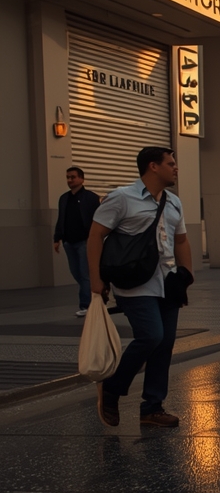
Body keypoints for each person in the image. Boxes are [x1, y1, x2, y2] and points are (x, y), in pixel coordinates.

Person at [85, 146, 191, 429]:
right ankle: (111, 387)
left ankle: (152, 407)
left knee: (164, 343)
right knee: (151, 336)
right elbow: (95, 236)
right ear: (153, 166)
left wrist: (186, 276)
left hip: (168, 281)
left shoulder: (173, 202)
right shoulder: (122, 198)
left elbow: (181, 240)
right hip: (134, 282)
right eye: (170, 163)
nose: (175, 168)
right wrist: (95, 279)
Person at [53, 166, 101, 317]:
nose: (69, 180)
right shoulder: (64, 198)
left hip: (84, 241)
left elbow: (99, 219)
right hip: (69, 242)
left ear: (81, 179)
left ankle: (86, 305)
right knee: (76, 272)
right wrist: (57, 238)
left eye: (73, 177)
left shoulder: (91, 198)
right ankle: (94, 297)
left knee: (85, 273)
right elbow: (61, 219)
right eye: (68, 177)